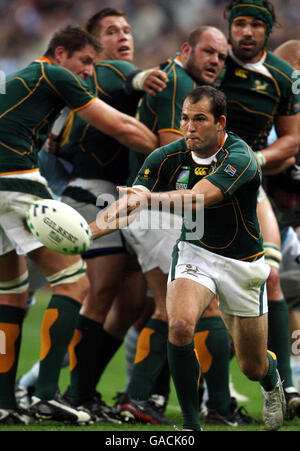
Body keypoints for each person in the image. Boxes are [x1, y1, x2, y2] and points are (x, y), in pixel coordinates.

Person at [89, 85, 286, 432]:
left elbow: (196, 200)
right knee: (179, 326)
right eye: (184, 118)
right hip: (196, 251)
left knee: (251, 365)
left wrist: (146, 200)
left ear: (220, 123)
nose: (189, 127)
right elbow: (129, 204)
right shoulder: (166, 156)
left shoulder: (239, 156)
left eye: (200, 119)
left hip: (244, 263)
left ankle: (272, 384)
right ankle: (191, 428)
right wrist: (85, 233)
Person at [0, 25, 159, 426]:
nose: (89, 71)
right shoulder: (50, 74)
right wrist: (168, 151)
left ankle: (4, 401)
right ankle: (48, 395)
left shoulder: (19, 79)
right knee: (75, 282)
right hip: (14, 181)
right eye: (85, 61)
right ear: (59, 54)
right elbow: (119, 126)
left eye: (92, 64)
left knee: (11, 295)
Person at [116, 26, 255, 426]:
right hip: (161, 210)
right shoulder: (178, 82)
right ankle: (214, 407)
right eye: (209, 52)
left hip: (159, 208)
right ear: (186, 49)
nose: (215, 61)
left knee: (172, 310)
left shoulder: (174, 78)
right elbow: (179, 151)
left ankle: (143, 398)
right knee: (191, 307)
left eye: (221, 56)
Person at [221, 0, 300, 418]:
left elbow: (290, 139)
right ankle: (211, 399)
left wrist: (257, 160)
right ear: (228, 28)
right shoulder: (210, 59)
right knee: (173, 302)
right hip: (195, 184)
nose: (247, 32)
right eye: (240, 24)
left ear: (268, 31)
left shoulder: (285, 77)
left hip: (250, 183)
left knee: (270, 277)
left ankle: (285, 389)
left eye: (255, 25)